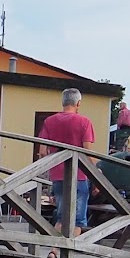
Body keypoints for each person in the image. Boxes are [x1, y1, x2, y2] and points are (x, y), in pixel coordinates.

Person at [38, 87, 97, 228]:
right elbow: (87, 151)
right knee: (78, 221)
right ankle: (65, 243)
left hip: (57, 175)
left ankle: (55, 243)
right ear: (78, 103)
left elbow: (43, 152)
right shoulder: (84, 122)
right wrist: (96, 173)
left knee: (61, 217)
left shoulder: (49, 121)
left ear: (63, 102)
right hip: (79, 175)